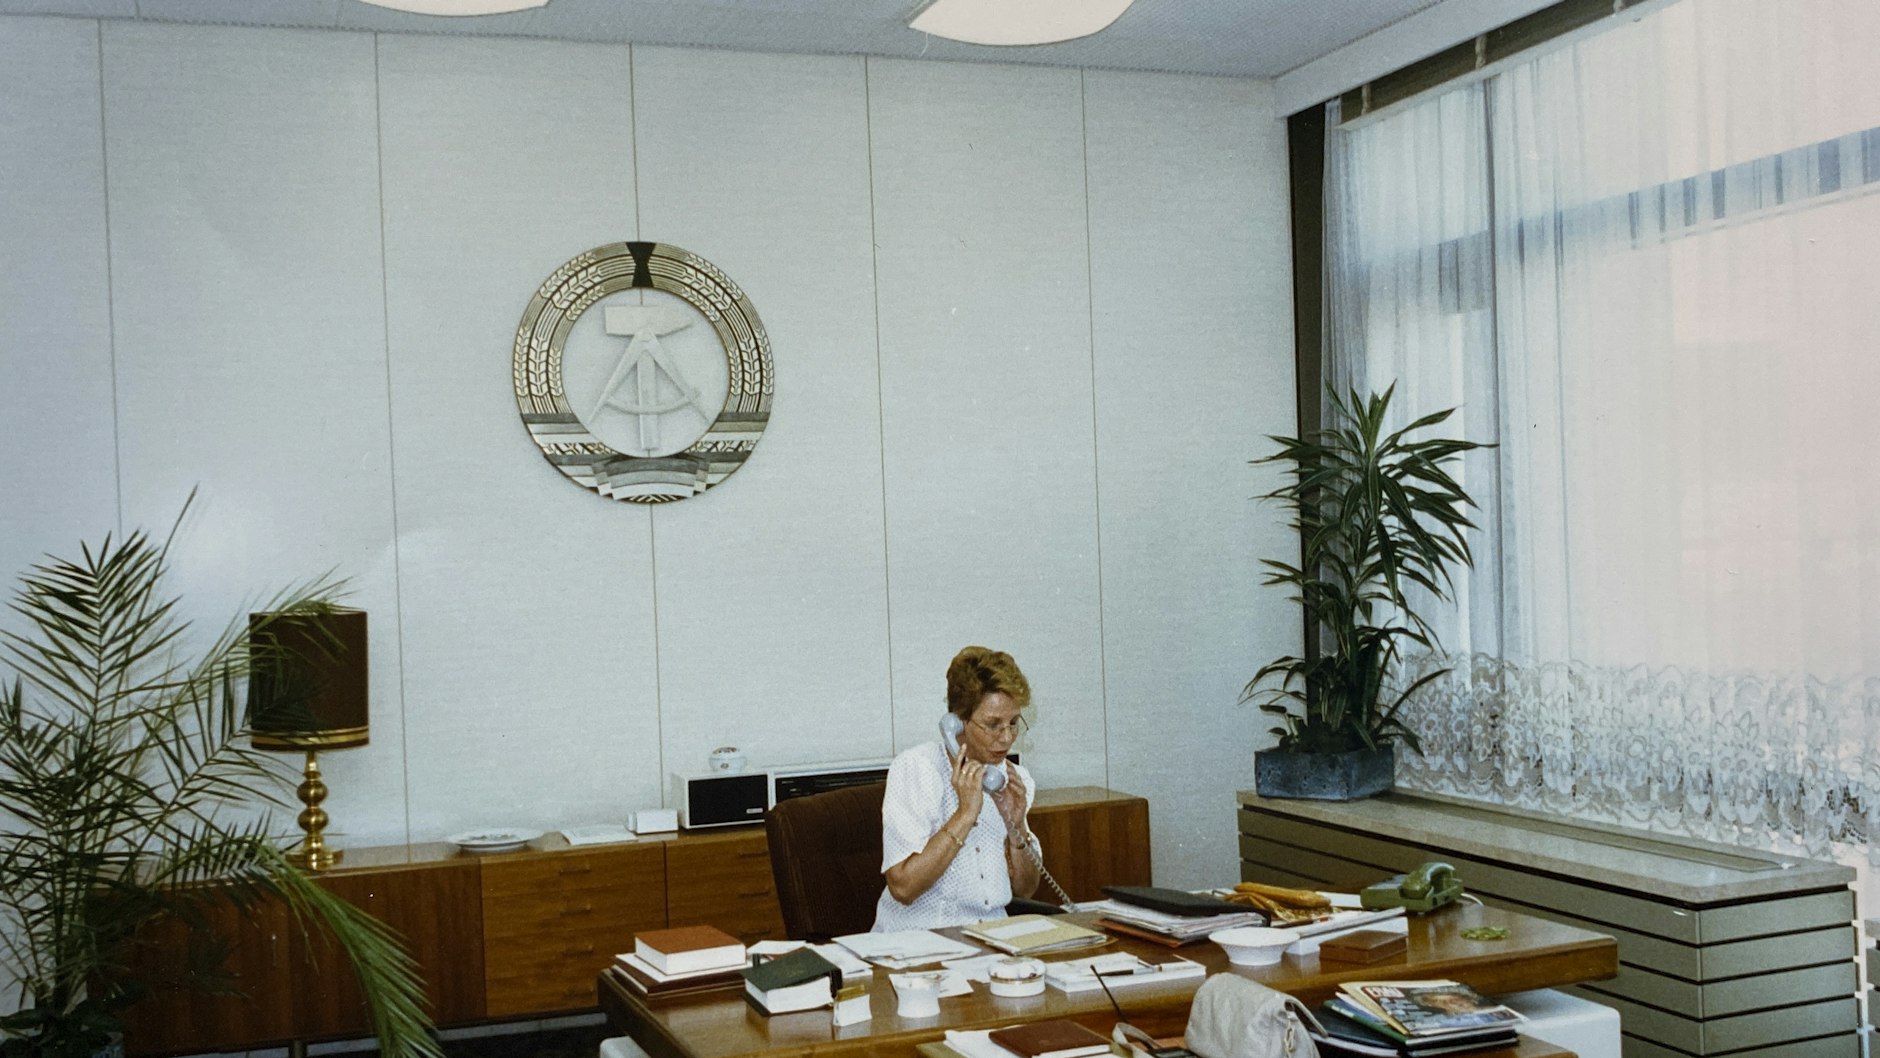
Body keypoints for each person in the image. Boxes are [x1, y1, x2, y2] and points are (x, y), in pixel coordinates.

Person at [872, 645, 1042, 931]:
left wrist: (1017, 830)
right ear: (957, 721)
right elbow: (902, 887)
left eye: (1013, 723)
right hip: (918, 942)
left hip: (991, 938)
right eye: (993, 724)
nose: (1007, 737)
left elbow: (1026, 889)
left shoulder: (1014, 781)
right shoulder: (917, 769)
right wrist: (965, 815)